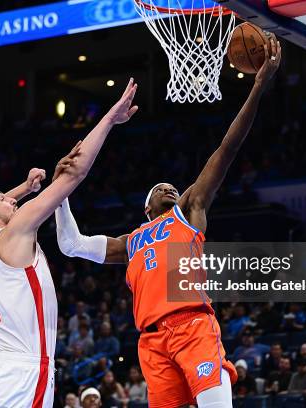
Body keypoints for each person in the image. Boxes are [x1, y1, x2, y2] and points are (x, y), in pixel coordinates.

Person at [55, 42, 282, 407]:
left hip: (192, 325)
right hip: (152, 343)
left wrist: (258, 86)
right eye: (159, 187)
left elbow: (227, 149)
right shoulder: (130, 241)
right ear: (147, 208)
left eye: (171, 186)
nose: (169, 186)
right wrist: (60, 194)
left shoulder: (188, 210)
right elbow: (71, 244)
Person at [0, 79, 139, 408]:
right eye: (2, 198)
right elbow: (75, 175)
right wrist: (109, 119)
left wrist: (25, 189)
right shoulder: (14, 233)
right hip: (22, 373)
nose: (9, 199)